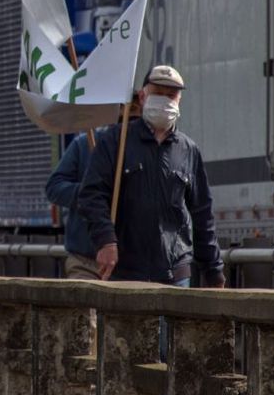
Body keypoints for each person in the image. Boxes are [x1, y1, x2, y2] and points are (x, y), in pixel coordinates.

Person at [78, 65, 224, 287]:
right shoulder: (116, 141)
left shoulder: (188, 150)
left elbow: (202, 213)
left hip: (176, 274)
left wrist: (213, 270)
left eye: (171, 95)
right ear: (142, 96)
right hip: (126, 272)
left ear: (179, 100)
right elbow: (91, 195)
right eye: (158, 93)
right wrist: (105, 240)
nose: (165, 100)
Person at [45, 134, 100, 279]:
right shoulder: (84, 144)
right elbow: (54, 187)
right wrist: (89, 192)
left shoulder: (153, 147)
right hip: (87, 263)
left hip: (136, 266)